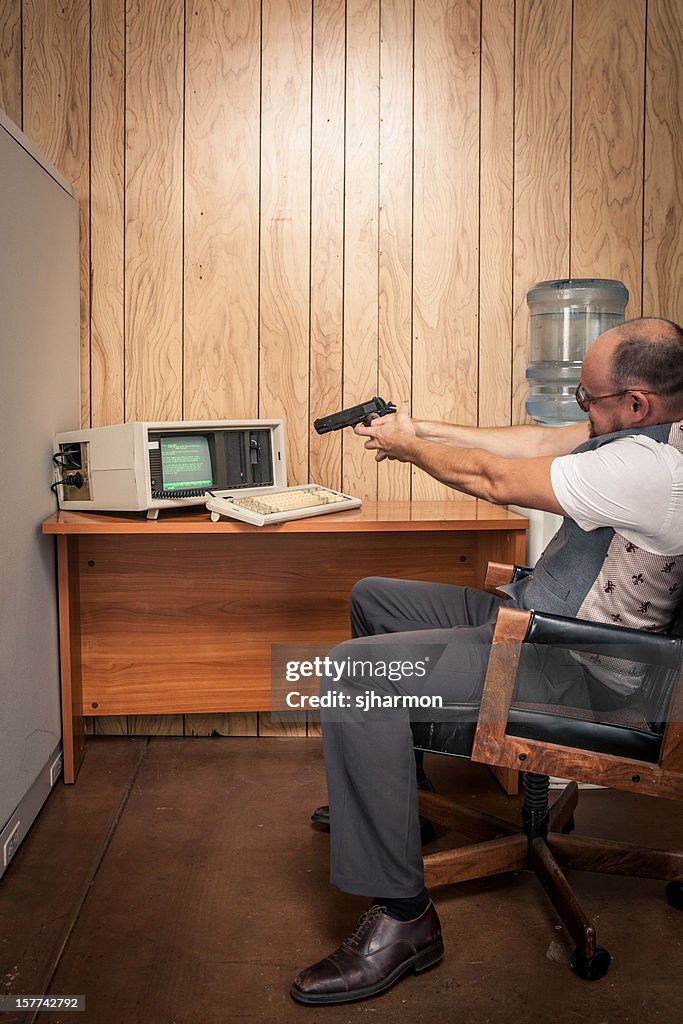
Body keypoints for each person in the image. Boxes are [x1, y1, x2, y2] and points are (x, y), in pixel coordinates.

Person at [290, 317, 683, 1007]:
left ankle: (404, 917)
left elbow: (495, 475)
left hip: (581, 670)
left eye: (587, 399)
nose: (577, 412)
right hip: (538, 617)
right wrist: (417, 428)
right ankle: (397, 813)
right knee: (374, 599)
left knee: (356, 675)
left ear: (635, 404)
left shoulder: (652, 471)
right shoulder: (637, 432)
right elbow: (527, 441)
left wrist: (410, 451)